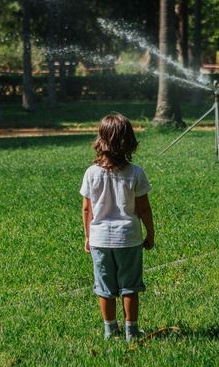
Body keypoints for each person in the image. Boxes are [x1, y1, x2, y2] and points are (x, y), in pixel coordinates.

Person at [80, 113, 155, 342]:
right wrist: (150, 233)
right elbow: (144, 210)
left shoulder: (91, 173)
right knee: (130, 287)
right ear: (129, 141)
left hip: (100, 239)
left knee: (104, 287)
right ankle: (132, 331)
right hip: (129, 239)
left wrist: (87, 236)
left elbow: (86, 209)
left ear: (100, 141)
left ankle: (110, 330)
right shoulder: (136, 173)